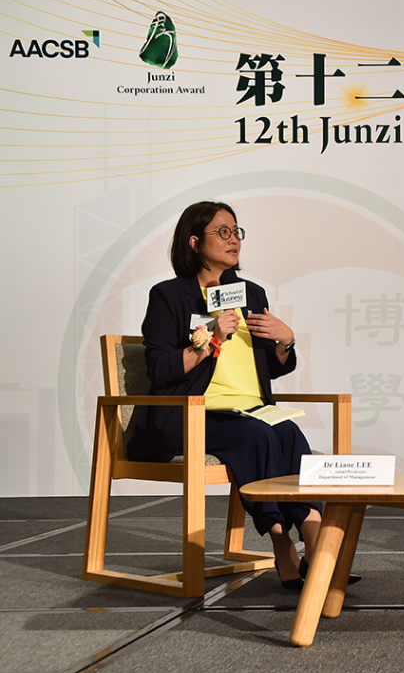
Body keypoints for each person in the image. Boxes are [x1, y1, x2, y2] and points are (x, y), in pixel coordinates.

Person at [128, 201, 354, 591]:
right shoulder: (170, 296)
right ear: (195, 242)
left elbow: (272, 364)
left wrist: (287, 340)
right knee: (260, 436)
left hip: (252, 409)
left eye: (237, 232)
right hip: (195, 413)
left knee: (287, 431)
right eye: (223, 232)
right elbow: (160, 369)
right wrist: (210, 338)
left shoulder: (250, 292)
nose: (234, 240)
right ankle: (283, 543)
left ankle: (315, 539)